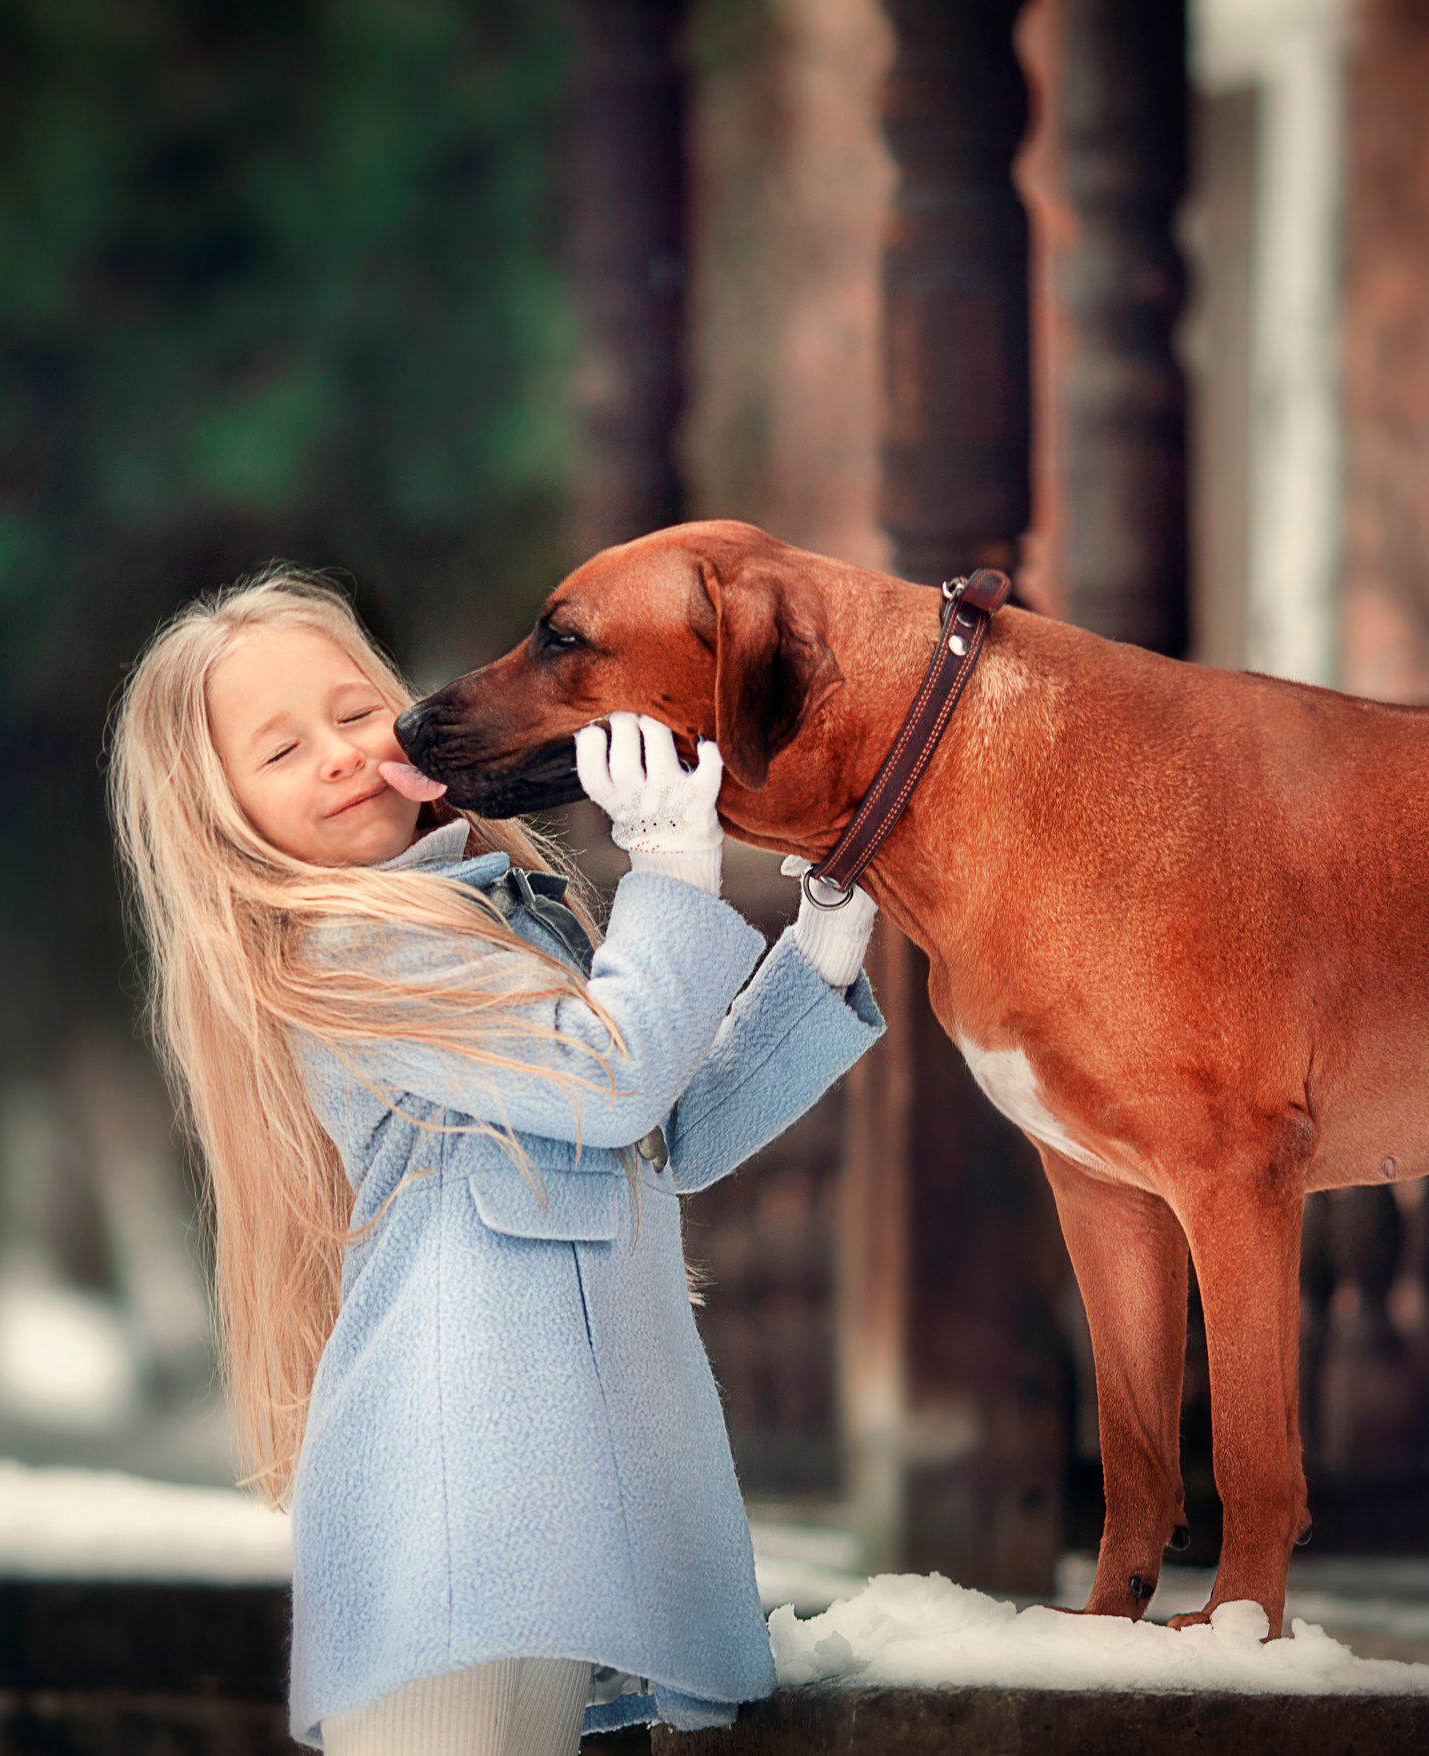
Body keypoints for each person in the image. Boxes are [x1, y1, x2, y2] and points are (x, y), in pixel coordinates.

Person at [106, 568, 882, 1754]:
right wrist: (669, 873)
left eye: (355, 711)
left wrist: (819, 949)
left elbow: (660, 1139)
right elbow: (613, 1078)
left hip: (549, 1508)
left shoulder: (509, 908)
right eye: (279, 750)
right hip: (448, 1502)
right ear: (222, 817)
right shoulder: (345, 947)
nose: (337, 754)